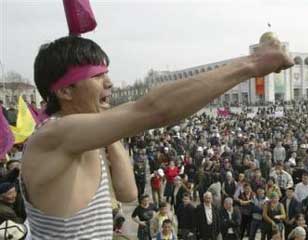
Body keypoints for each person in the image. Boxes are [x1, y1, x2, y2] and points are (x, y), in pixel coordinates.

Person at [21, 35, 293, 239]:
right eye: (97, 76)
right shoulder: (53, 136)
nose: (110, 83)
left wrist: (110, 127)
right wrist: (254, 63)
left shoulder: (86, 140)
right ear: (65, 92)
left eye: (107, 73)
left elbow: (128, 193)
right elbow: (155, 110)